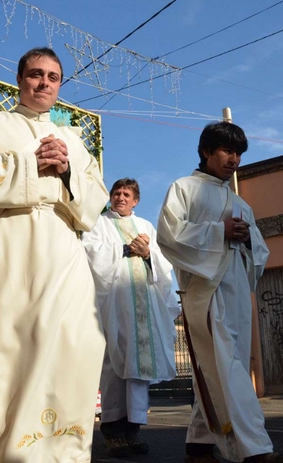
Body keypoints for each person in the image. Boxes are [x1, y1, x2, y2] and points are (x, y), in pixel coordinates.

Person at [0, 46, 109, 462]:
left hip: (63, 244)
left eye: (52, 77)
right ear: (20, 79)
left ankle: (62, 452)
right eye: (36, 74)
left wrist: (67, 170)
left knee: (77, 342)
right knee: (15, 350)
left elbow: (96, 199)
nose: (43, 83)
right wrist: (31, 163)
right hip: (9, 244)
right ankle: (13, 452)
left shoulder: (73, 140)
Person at [157, 122, 283, 463]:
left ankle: (199, 444)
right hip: (205, 293)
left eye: (238, 154)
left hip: (234, 294)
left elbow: (258, 252)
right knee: (228, 368)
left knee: (215, 367)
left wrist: (247, 239)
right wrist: (219, 232)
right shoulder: (184, 188)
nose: (234, 160)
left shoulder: (240, 203)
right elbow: (169, 235)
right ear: (206, 152)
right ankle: (255, 450)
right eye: (226, 151)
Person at [82, 178, 180, 457]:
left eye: (126, 194)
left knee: (139, 369)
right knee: (115, 364)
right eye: (116, 193)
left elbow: (163, 264)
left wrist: (148, 253)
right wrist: (126, 249)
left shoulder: (146, 226)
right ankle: (113, 433)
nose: (120, 198)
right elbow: (90, 253)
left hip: (143, 305)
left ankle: (133, 431)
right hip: (115, 304)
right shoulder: (98, 223)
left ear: (136, 200)